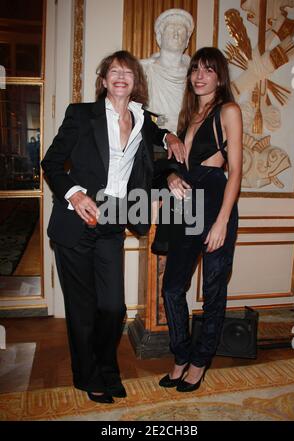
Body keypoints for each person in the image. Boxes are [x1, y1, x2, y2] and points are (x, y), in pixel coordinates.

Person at [42, 50, 184, 404]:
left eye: (129, 72)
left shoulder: (141, 118)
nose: (121, 76)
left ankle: (105, 367)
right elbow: (52, 163)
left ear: (136, 83)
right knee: (83, 308)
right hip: (76, 222)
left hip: (113, 223)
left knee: (114, 307)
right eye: (114, 71)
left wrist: (169, 138)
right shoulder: (80, 115)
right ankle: (91, 375)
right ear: (104, 80)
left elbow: (157, 138)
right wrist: (75, 195)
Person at [158, 47, 243, 392]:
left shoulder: (229, 110)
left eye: (208, 70)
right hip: (185, 204)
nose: (199, 75)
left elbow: (236, 170)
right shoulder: (187, 117)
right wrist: (170, 177)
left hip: (213, 201)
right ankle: (181, 355)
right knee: (172, 287)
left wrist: (222, 220)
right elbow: (176, 166)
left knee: (213, 290)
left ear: (220, 76)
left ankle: (199, 361)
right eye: (195, 69)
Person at [141, 9, 194, 132]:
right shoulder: (143, 71)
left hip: (187, 139)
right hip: (154, 139)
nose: (176, 34)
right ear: (159, 37)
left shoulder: (195, 75)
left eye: (181, 30)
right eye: (171, 29)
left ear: (187, 41)